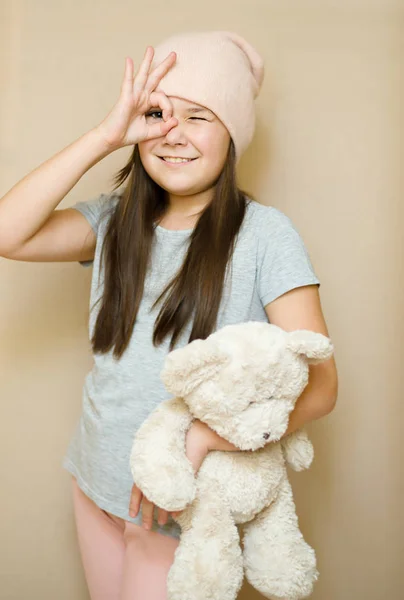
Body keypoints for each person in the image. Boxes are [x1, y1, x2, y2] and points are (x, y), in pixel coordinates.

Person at [0, 30, 338, 600]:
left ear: (232, 133)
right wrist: (106, 136)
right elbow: (7, 232)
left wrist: (201, 438)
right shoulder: (111, 223)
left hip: (185, 501)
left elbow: (322, 388)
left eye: (198, 116)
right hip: (96, 484)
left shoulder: (264, 235)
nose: (172, 134)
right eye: (157, 113)